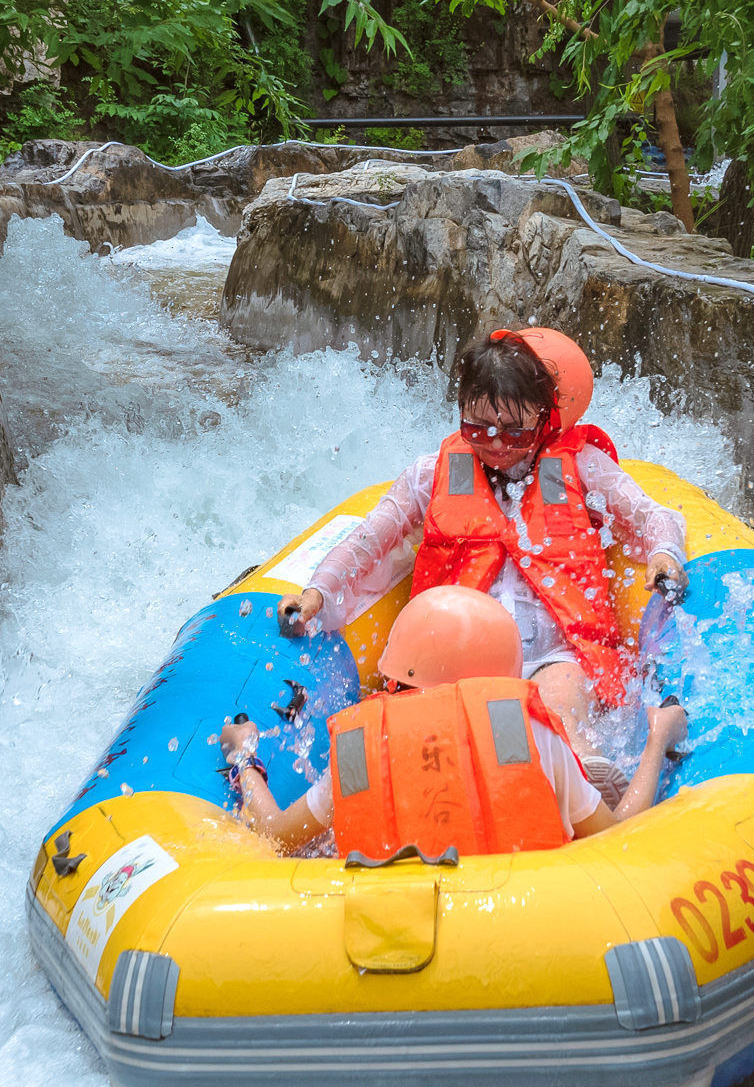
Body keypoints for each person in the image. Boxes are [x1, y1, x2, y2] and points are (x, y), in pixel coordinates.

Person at [274, 326, 685, 773]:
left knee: (563, 704)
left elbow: (650, 516)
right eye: (478, 427)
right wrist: (317, 591)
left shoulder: (581, 466)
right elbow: (370, 540)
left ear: (544, 418)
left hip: (553, 654)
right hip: (459, 656)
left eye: (514, 432)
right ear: (460, 412)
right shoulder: (430, 474)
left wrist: (664, 553)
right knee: (430, 741)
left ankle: (586, 780)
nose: (494, 444)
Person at [218, 585, 683, 854]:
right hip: (532, 922)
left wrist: (244, 756)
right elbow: (617, 839)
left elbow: (276, 836)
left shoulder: (363, 745)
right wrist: (657, 739)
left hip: (389, 933)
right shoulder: (531, 732)